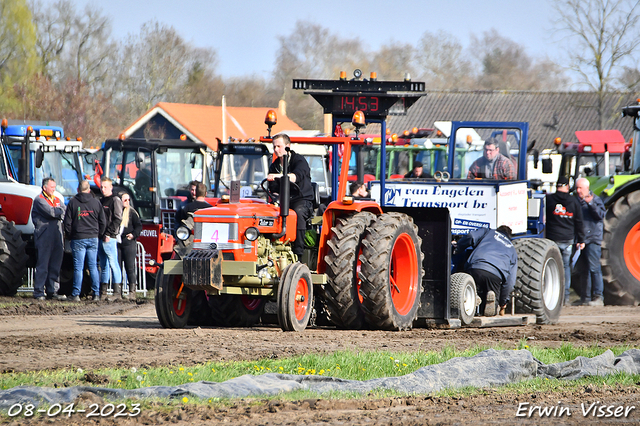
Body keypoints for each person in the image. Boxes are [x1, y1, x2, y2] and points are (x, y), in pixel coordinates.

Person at [267, 133, 314, 259]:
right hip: (283, 200)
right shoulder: (275, 166)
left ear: (288, 146)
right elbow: (273, 189)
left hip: (302, 199)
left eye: (279, 146)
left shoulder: (299, 161)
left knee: (297, 213)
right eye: (274, 147)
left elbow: (294, 177)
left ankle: (298, 254)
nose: (276, 150)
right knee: (270, 213)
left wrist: (276, 177)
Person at [454, 226, 518, 316]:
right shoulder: (512, 249)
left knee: (471, 288)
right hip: (496, 274)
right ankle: (490, 303)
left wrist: (458, 247)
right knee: (491, 300)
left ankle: (473, 300)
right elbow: (510, 282)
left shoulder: (488, 232)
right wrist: (503, 302)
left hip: (476, 267)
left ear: (498, 229)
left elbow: (471, 236)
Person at [545, 176, 585, 306]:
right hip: (568, 239)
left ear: (557, 186)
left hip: (553, 239)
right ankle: (565, 297)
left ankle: (554, 296)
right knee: (566, 267)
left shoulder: (549, 200)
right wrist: (581, 239)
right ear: (567, 187)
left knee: (552, 267)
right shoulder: (574, 201)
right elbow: (579, 221)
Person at [64, 180, 106, 302]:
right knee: (93, 266)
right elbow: (102, 221)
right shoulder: (96, 202)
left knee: (78, 267)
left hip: (78, 238)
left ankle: (76, 294)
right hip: (93, 238)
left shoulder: (72, 202)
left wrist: (71, 235)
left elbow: (67, 223)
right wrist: (99, 234)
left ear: (78, 189)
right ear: (89, 190)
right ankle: (96, 294)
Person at [31, 178, 66, 301]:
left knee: (55, 264)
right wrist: (59, 211)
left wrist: (59, 211)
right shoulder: (39, 199)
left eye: (54, 187)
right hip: (44, 236)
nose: (54, 189)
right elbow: (51, 212)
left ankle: (53, 291)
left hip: (57, 235)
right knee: (43, 264)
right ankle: (39, 291)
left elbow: (63, 211)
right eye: (52, 187)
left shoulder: (57, 199)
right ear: (45, 187)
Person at [575, 178, 606, 306]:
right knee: (583, 269)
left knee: (594, 268)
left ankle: (598, 297)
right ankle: (585, 298)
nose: (578, 191)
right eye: (576, 188)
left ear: (587, 188)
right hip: (581, 239)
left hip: (593, 238)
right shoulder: (576, 201)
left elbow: (600, 216)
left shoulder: (596, 200)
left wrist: (591, 204)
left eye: (580, 188)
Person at [99, 177, 124, 301]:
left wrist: (109, 233)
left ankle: (117, 292)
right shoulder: (101, 200)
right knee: (104, 265)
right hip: (101, 236)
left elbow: (118, 219)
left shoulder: (115, 200)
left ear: (111, 187)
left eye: (105, 187)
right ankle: (103, 291)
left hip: (110, 237)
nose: (103, 189)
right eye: (101, 186)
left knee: (113, 263)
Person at [117, 193, 142, 300]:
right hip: (118, 242)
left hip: (129, 242)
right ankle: (118, 291)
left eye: (128, 200)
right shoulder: (117, 211)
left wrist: (133, 235)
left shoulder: (132, 213)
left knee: (130, 268)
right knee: (117, 268)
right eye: (125, 200)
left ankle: (132, 291)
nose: (127, 202)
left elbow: (139, 226)